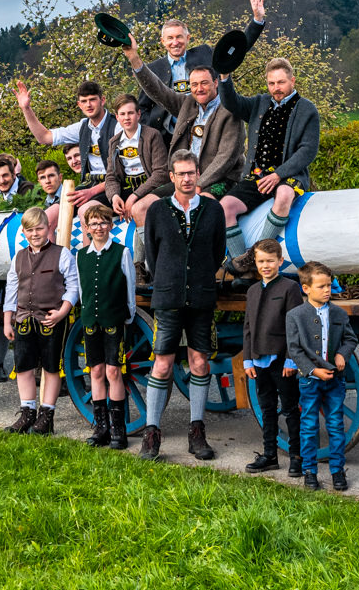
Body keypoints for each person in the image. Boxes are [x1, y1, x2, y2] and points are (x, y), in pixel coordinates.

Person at [136, 152, 228, 461]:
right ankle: (151, 434)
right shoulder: (158, 210)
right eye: (181, 174)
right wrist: (170, 277)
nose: (187, 178)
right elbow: (152, 255)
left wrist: (199, 276)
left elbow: (218, 252)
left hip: (201, 296)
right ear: (172, 177)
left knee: (199, 362)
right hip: (168, 297)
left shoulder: (213, 210)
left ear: (198, 174)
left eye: (191, 173)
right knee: (162, 364)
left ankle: (197, 432)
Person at [127, 48, 246, 226]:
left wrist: (199, 184)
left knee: (196, 209)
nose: (199, 89)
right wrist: (134, 58)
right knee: (140, 208)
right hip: (185, 177)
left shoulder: (230, 110)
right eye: (194, 84)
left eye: (204, 83)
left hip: (220, 179)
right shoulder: (188, 103)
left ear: (215, 83)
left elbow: (226, 158)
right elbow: (158, 90)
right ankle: (157, 246)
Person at [218, 57, 321, 256]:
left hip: (288, 176)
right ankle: (241, 262)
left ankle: (258, 254)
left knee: (283, 196)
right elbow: (231, 102)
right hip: (256, 176)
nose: (276, 88)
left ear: (292, 81)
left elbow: (307, 150)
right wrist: (224, 76)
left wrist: (278, 174)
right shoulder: (259, 103)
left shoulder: (307, 109)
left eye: (281, 82)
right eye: (271, 83)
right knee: (225, 207)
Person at [3, 180, 79, 435]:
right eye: (30, 230)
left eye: (39, 229)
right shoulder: (19, 257)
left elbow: (73, 287)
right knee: (23, 367)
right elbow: (11, 290)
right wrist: (7, 320)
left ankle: (47, 415)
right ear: (24, 232)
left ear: (48, 228)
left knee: (51, 367)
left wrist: (63, 312)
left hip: (51, 319)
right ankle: (27, 413)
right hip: (24, 319)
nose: (35, 234)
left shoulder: (62, 254)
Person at [135, 0, 266, 137]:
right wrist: (154, 134)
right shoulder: (153, 69)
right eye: (170, 38)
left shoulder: (204, 54)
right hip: (171, 137)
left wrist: (257, 20)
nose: (175, 42)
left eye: (179, 37)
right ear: (163, 41)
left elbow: (236, 50)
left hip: (209, 131)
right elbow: (142, 108)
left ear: (188, 38)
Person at [72, 200, 136, 449]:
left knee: (113, 372)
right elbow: (81, 289)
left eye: (103, 223)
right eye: (94, 224)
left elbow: (129, 288)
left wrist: (128, 316)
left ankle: (118, 429)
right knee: (96, 371)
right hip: (91, 321)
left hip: (113, 320)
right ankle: (101, 429)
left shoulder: (122, 252)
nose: (98, 227)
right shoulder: (81, 256)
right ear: (87, 228)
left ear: (110, 225)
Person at [287, 261, 355, 492]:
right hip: (310, 381)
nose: (327, 290)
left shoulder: (339, 313)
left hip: (335, 380)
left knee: (335, 425)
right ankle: (309, 471)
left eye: (329, 285)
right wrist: (313, 370)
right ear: (306, 288)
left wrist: (342, 354)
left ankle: (337, 470)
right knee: (309, 426)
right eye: (321, 286)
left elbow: (350, 339)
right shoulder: (295, 316)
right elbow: (294, 349)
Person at [238, 238, 304, 474]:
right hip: (258, 360)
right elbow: (248, 327)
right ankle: (269, 455)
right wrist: (248, 359)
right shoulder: (253, 291)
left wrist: (291, 359)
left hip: (282, 361)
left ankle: (297, 456)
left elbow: (295, 327)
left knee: (290, 409)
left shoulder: (290, 288)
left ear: (280, 261)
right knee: (266, 409)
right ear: (255, 263)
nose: (265, 266)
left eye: (270, 261)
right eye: (261, 261)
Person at [15, 80, 114, 210]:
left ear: (102, 100)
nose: (88, 105)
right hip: (88, 184)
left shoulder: (118, 126)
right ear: (79, 105)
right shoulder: (82, 127)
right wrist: (26, 109)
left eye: (92, 100)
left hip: (113, 186)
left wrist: (91, 191)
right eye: (84, 101)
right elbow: (44, 137)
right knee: (49, 214)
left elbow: (123, 173)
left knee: (84, 211)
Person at [103, 93, 172, 227]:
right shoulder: (114, 142)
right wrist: (114, 196)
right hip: (127, 188)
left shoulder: (152, 135)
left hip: (150, 187)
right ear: (117, 117)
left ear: (138, 114)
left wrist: (135, 196)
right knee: (89, 208)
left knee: (138, 208)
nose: (126, 118)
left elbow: (161, 173)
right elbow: (111, 176)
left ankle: (145, 241)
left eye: (130, 113)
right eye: (122, 114)